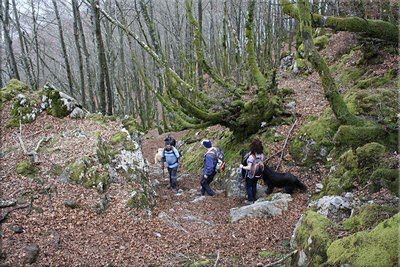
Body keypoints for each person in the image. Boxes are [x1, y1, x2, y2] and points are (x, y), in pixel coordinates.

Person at [240, 138, 265, 203]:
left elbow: (248, 167)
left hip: (250, 174)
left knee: (248, 186)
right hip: (257, 174)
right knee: (254, 185)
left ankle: (250, 200)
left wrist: (242, 167)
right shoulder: (262, 155)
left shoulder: (252, 156)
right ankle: (254, 197)